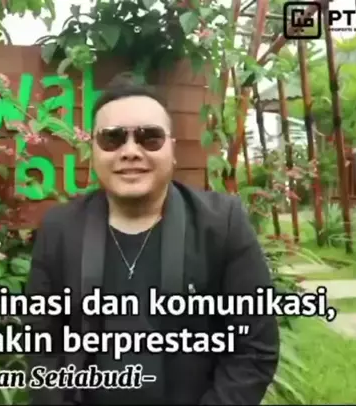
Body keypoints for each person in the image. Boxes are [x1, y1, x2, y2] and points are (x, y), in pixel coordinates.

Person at [24, 75, 279, 405]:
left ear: (172, 149)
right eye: (113, 139)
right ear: (93, 152)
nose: (130, 151)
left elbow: (254, 350)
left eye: (150, 138)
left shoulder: (221, 225)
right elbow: (41, 343)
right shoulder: (60, 229)